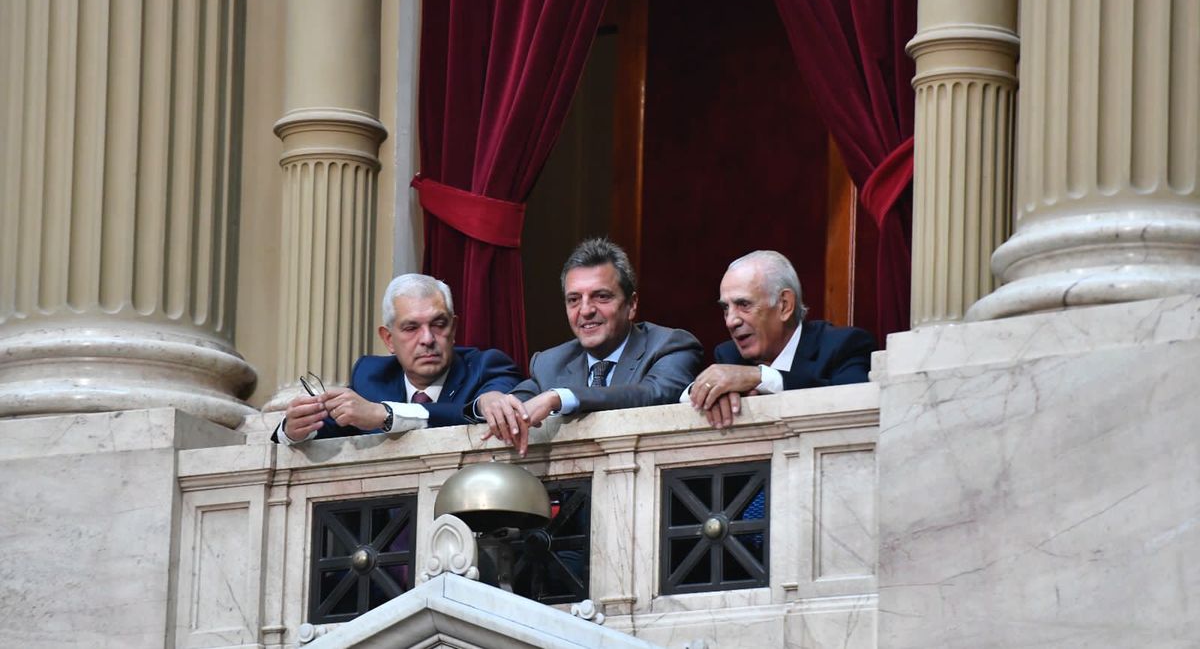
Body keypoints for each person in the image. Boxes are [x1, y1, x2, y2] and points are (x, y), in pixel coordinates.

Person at [476, 238, 703, 455]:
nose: (585, 310)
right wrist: (488, 401)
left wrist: (560, 397)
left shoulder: (670, 345)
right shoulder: (549, 363)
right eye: (574, 299)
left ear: (631, 305)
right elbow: (516, 402)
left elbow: (654, 395)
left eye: (601, 296)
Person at [273, 274, 522, 444]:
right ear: (389, 339)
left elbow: (476, 411)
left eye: (438, 324)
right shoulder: (371, 377)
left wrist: (386, 414)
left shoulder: (487, 368)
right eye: (411, 328)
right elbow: (325, 431)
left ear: (453, 329)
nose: (427, 338)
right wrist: (294, 430)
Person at [686, 250, 875, 428]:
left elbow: (854, 402)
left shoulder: (844, 345)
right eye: (726, 308)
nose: (730, 321)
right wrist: (709, 391)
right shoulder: (730, 355)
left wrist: (760, 377)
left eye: (743, 304)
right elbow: (683, 399)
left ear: (784, 305)